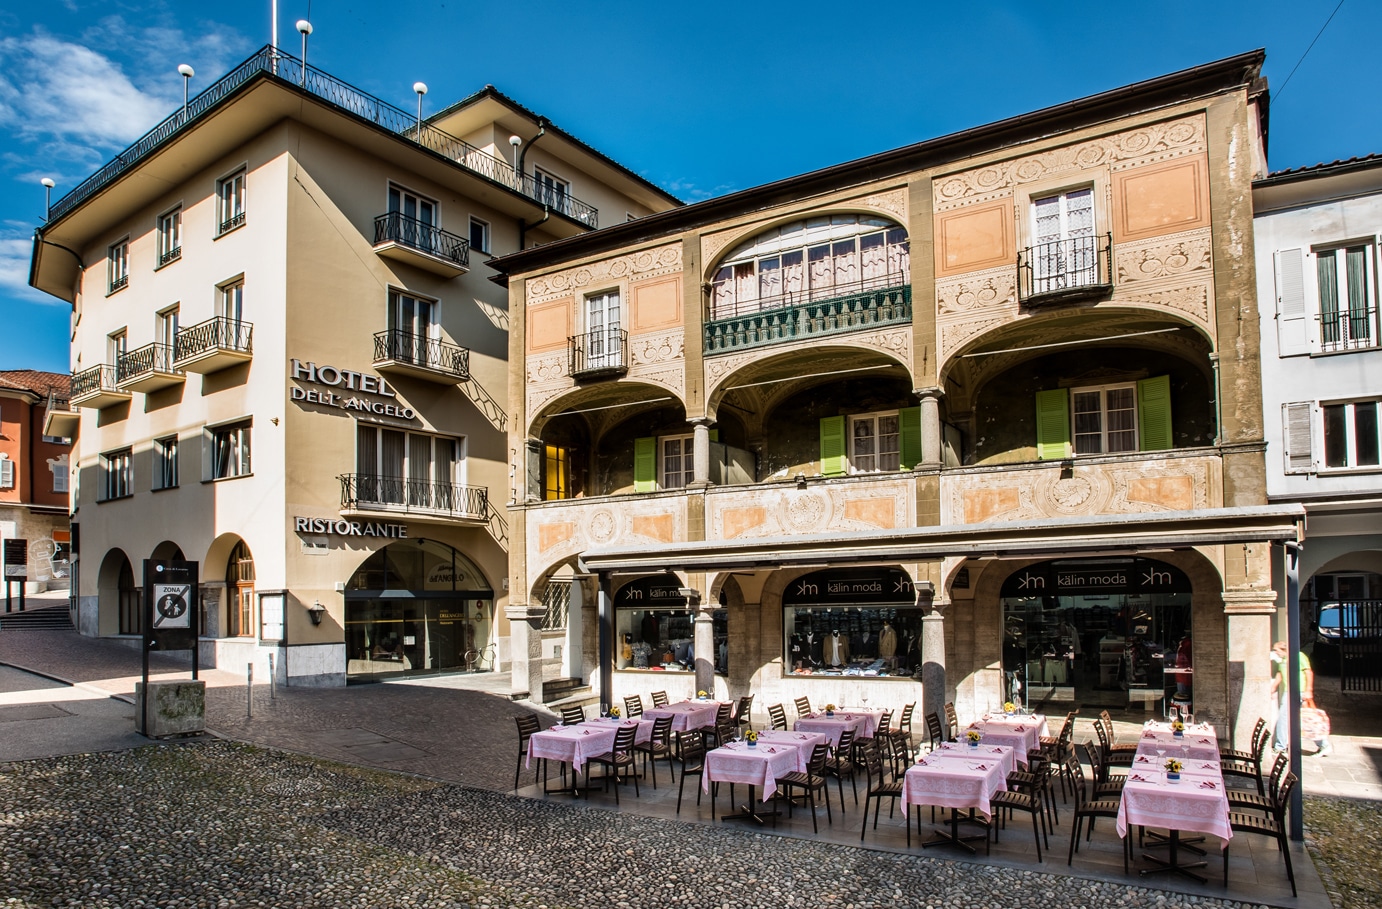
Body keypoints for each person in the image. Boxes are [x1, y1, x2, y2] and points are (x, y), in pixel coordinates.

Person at [1270, 640, 1328, 754]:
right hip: (1289, 691)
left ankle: (1280, 747)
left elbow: (1308, 672)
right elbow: (1280, 673)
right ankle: (1323, 744)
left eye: (1276, 650)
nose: (1275, 652)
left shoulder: (1299, 656)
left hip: (1299, 691)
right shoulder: (1283, 660)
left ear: (1284, 650)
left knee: (1297, 718)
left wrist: (1309, 690)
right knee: (1303, 719)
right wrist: (1273, 687)